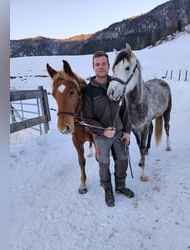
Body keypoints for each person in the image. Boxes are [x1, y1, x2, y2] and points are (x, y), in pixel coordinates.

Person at [82, 51, 134, 207]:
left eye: (103, 63)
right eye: (97, 64)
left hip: (119, 131)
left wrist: (127, 130)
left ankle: (120, 186)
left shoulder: (118, 83)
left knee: (122, 159)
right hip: (101, 135)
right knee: (104, 163)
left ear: (109, 65)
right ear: (93, 67)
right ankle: (107, 189)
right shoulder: (89, 90)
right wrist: (102, 131)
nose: (101, 67)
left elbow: (126, 109)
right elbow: (86, 118)